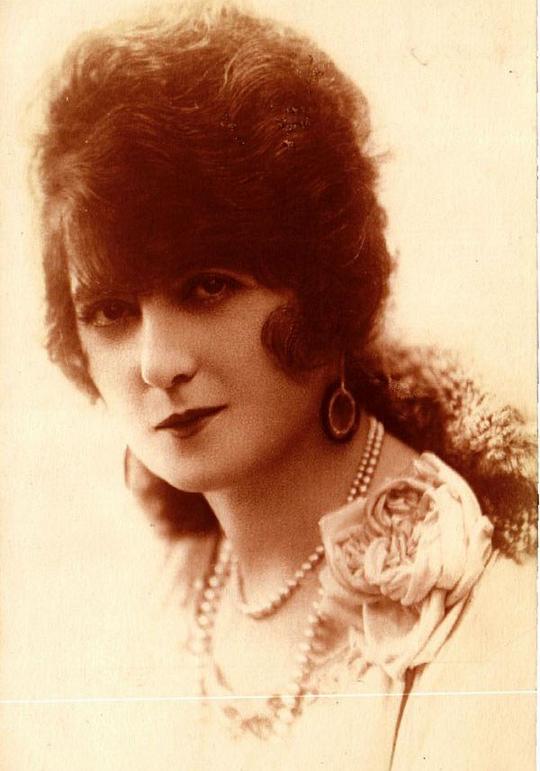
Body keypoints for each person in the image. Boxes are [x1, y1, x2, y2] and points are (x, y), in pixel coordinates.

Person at [33, 2, 535, 768]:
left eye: (207, 286)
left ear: (322, 288)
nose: (157, 363)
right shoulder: (166, 594)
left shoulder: (484, 616)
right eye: (110, 311)